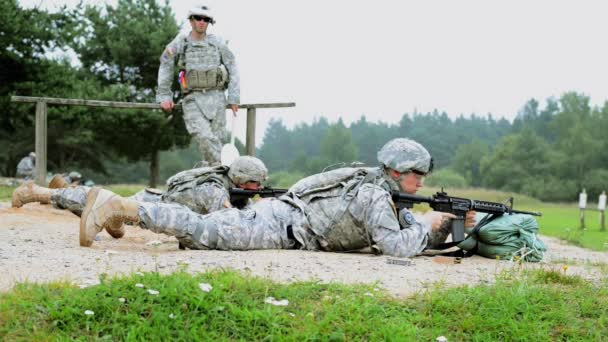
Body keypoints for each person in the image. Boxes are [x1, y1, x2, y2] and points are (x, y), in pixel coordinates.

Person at [79, 138, 476, 257]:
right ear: (398, 172)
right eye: (417, 175)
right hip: (278, 225)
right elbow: (394, 246)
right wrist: (431, 226)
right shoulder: (374, 194)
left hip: (281, 218)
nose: (422, 182)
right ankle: (119, 207)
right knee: (203, 232)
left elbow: (403, 231)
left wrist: (441, 229)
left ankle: (126, 211)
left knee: (203, 231)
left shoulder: (374, 185)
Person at [12, 156, 267, 243]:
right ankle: (38, 192)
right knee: (96, 201)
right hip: (150, 203)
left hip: (156, 201)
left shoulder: (227, 184)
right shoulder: (215, 189)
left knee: (101, 211)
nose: (259, 188)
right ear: (241, 178)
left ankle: (62, 191)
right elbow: (227, 223)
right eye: (255, 184)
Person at [157, 5, 239, 167]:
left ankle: (215, 181)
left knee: (216, 140)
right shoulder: (181, 41)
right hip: (192, 98)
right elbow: (166, 63)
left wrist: (234, 96)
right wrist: (164, 96)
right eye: (198, 18)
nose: (202, 22)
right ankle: (227, 168)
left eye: (206, 19)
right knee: (203, 136)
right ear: (191, 20)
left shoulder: (217, 42)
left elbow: (232, 66)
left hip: (216, 98)